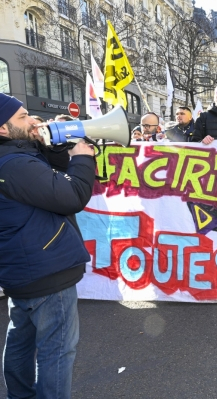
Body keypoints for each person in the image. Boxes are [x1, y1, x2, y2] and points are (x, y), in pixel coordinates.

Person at [0, 93, 96, 398]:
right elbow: (70, 196)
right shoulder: (14, 165)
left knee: (20, 341)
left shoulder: (14, 158)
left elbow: (48, 179)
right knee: (56, 353)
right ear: (3, 129)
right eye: (22, 117)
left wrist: (51, 148)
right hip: (47, 270)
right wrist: (83, 158)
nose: (31, 121)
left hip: (24, 268)